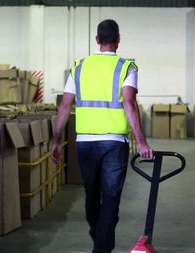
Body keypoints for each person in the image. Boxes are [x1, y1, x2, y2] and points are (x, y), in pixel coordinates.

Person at [51, 19, 154, 253]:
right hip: (114, 143)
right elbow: (129, 103)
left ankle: (99, 242)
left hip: (85, 143)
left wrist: (56, 141)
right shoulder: (127, 67)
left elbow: (64, 106)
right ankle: (101, 242)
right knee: (110, 199)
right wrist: (142, 142)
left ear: (97, 40)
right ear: (118, 39)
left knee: (91, 194)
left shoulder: (79, 66)